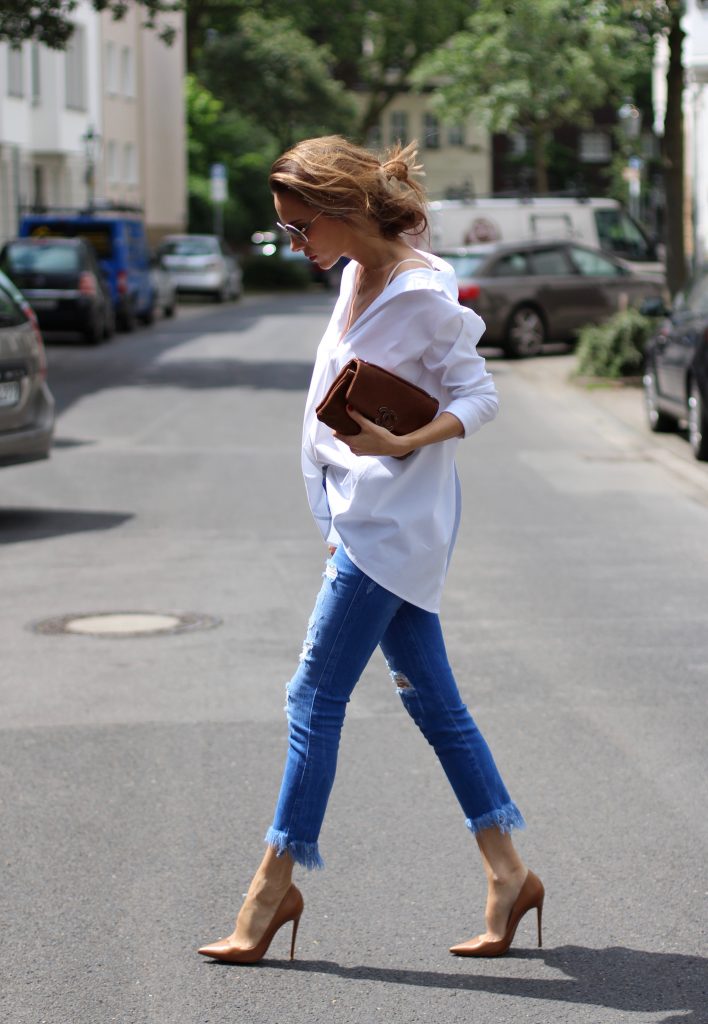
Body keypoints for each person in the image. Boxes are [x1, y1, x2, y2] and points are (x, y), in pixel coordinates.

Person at [198, 135, 543, 965]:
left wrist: (404, 443)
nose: (294, 244)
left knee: (312, 697)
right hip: (357, 523)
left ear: (343, 210)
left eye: (298, 228)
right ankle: (509, 872)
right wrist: (329, 503)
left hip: (390, 532)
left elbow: (480, 394)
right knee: (434, 703)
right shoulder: (356, 273)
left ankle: (270, 891)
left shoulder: (424, 290)